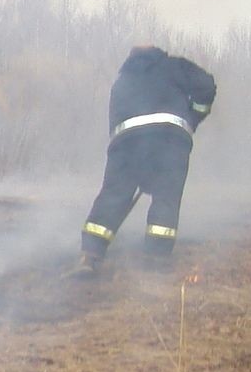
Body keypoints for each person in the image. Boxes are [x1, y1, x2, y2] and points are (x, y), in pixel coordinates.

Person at [77, 45, 216, 273]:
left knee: (114, 194)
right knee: (166, 196)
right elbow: (206, 85)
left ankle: (91, 254)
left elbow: (116, 125)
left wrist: (129, 161)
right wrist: (194, 116)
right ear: (158, 53)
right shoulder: (174, 66)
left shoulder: (122, 81)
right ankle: (156, 258)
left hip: (127, 143)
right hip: (171, 141)